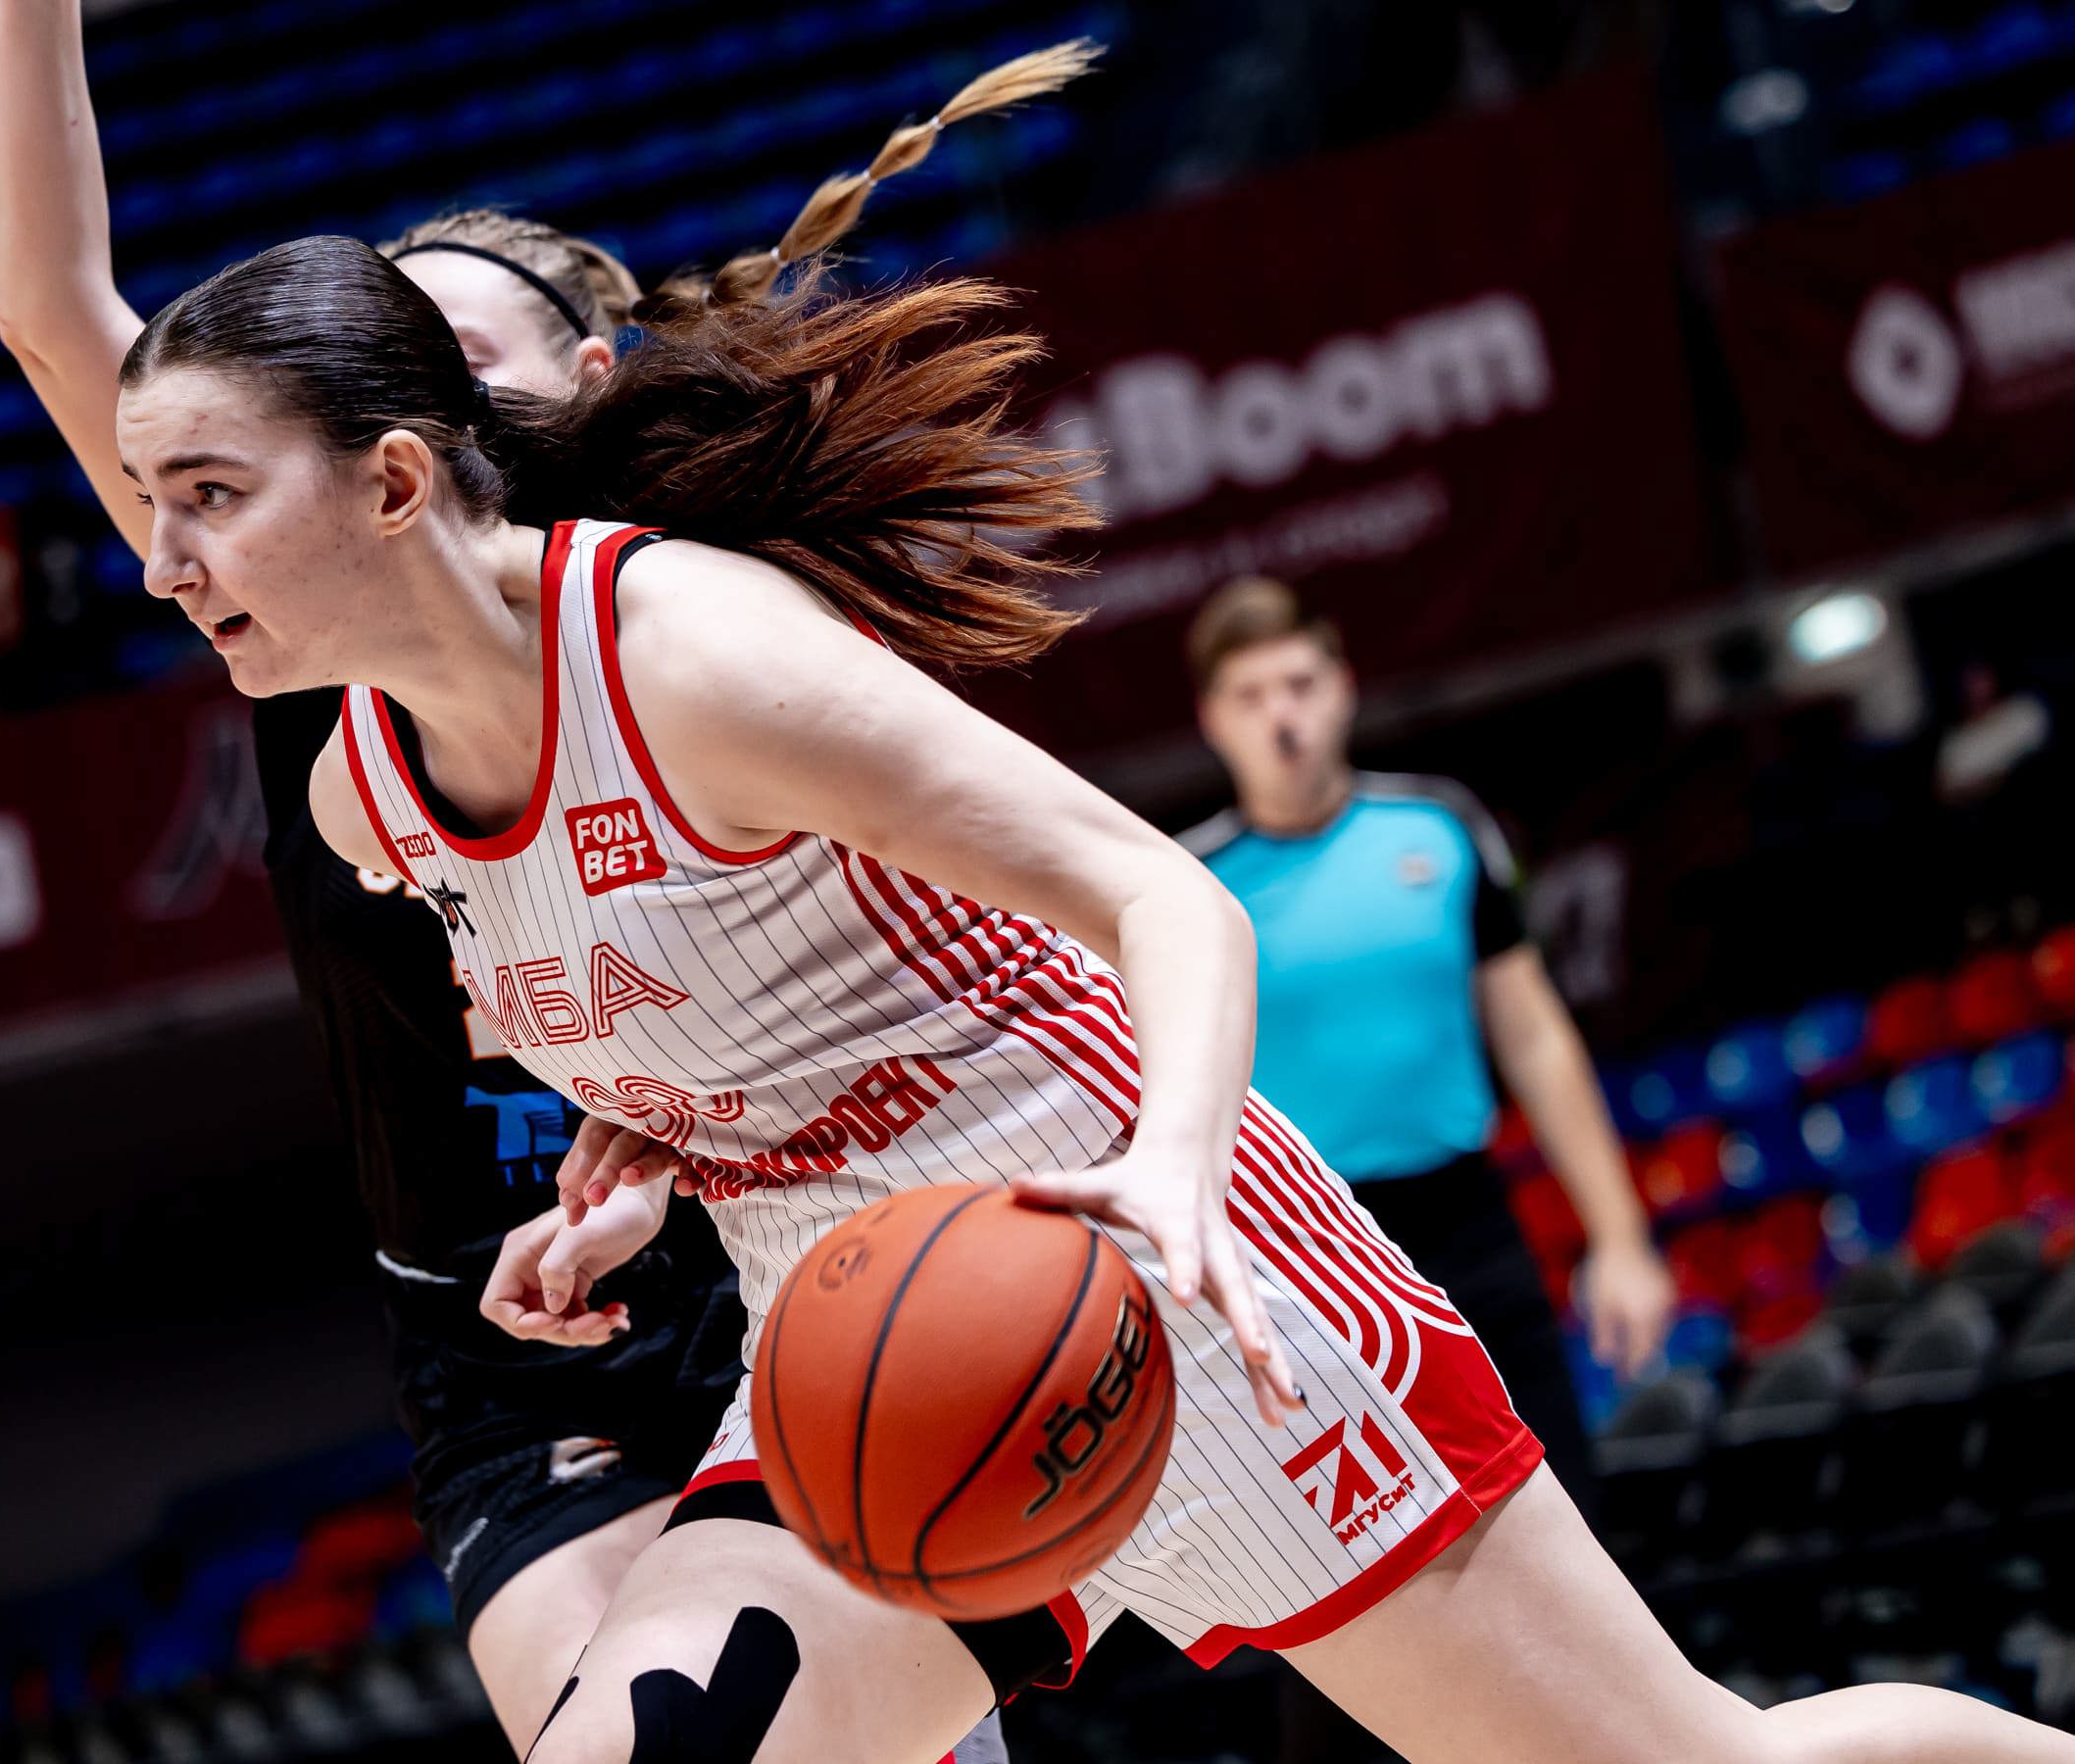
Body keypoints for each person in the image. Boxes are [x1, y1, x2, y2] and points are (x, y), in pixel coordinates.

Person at [112, 229, 2075, 1764]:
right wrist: (636, 1163)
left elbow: (1163, 899)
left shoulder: (692, 656)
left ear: (391, 480)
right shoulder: (371, 798)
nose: (160, 564)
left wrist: (1177, 1172)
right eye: (145, 501)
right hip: (884, 1357)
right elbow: (703, 991)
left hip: (1176, 1277)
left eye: (205, 493)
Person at [0, 5, 1082, 1751]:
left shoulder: (691, 640)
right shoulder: (307, 605)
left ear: (584, 379)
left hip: (784, 1266)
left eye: (450, 348)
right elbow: (54, 317)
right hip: (504, 1350)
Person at [1173, 577, 1676, 1762]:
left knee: (1573, 1546)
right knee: (1345, 1588)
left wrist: (1620, 1239)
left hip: (1468, 1231)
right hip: (1299, 1264)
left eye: (1300, 683)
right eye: (1252, 694)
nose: (1283, 714)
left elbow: (1536, 1037)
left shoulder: (1440, 829)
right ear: (1213, 719)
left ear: (1343, 689)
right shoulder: (1188, 888)